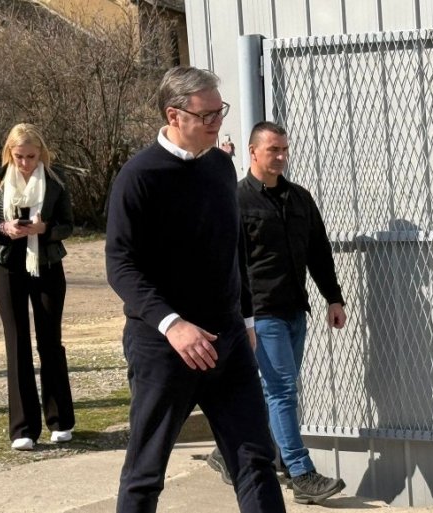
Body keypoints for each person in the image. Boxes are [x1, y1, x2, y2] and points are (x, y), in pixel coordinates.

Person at [105, 66, 286, 513]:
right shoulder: (139, 176)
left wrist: (246, 319)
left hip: (228, 342)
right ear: (174, 115)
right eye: (206, 115)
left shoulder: (220, 167)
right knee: (145, 473)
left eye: (220, 112)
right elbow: (120, 265)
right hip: (165, 347)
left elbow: (234, 249)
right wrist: (173, 325)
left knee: (256, 460)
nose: (217, 122)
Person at [208, 121, 348, 504]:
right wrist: (243, 317)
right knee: (282, 390)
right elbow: (231, 264)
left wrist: (333, 298)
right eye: (273, 150)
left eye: (284, 149)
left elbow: (319, 252)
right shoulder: (237, 201)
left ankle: (227, 450)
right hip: (261, 312)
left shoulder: (299, 199)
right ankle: (300, 473)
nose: (281, 156)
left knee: (276, 390)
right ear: (253, 152)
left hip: (295, 310)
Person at [0, 123, 75, 451]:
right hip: (8, 267)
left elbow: (68, 225)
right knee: (17, 343)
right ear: (10, 153)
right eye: (19, 156)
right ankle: (23, 429)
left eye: (31, 157)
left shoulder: (56, 180)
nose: (25, 163)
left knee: (50, 341)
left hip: (47, 264)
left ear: (41, 153)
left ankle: (60, 421)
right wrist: (4, 229)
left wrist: (44, 229)